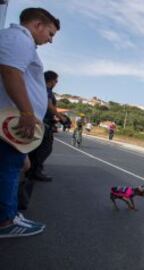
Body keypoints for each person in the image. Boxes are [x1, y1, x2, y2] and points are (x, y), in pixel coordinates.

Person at [0, 7, 60, 238]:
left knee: (16, 166)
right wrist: (27, 112)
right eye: (51, 33)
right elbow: (11, 73)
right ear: (38, 25)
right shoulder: (19, 40)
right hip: (14, 120)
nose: (51, 40)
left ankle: (10, 214)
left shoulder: (17, 40)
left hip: (11, 122)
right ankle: (6, 221)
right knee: (9, 169)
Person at [27, 71, 65, 182]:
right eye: (56, 80)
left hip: (40, 121)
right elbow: (49, 106)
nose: (57, 83)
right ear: (51, 80)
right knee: (45, 148)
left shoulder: (38, 88)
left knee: (36, 147)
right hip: (42, 123)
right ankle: (35, 171)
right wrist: (61, 117)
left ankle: (31, 170)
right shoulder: (46, 90)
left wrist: (54, 118)